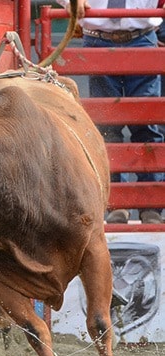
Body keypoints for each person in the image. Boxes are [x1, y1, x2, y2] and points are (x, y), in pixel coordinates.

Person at [58, 0, 164, 224]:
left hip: (141, 36)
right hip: (99, 37)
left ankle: (150, 205)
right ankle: (117, 202)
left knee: (146, 122)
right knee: (107, 126)